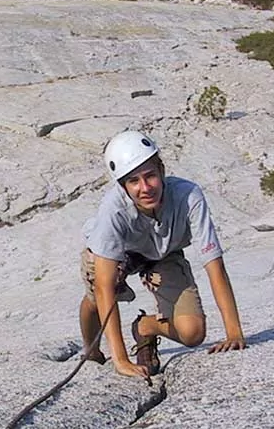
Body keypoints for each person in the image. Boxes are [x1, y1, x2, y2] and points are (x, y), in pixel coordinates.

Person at [79, 130, 246, 380]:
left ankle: (145, 327)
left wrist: (234, 332)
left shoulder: (188, 196)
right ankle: (91, 349)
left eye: (150, 176)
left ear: (162, 171)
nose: (145, 188)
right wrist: (121, 360)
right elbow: (104, 286)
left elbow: (214, 265)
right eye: (134, 181)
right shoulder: (112, 210)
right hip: (118, 253)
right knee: (96, 297)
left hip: (163, 252)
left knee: (193, 332)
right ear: (123, 186)